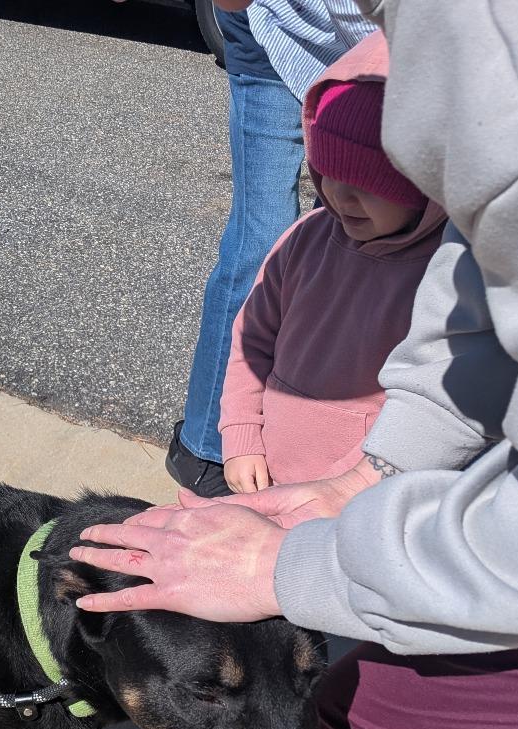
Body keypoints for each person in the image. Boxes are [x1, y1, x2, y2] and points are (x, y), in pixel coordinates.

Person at [70, 0, 518, 729]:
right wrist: (364, 476)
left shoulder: (502, 40)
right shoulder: (458, 71)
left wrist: (304, 567)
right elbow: (491, 279)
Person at [217, 30, 444, 496]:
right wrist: (241, 435)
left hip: (365, 497)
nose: (341, 196)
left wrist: (346, 487)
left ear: (429, 179)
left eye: (369, 180)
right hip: (268, 470)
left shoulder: (444, 278)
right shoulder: (305, 239)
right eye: (329, 170)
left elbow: (432, 410)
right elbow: (251, 339)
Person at [168, 0, 374, 498]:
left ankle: (358, 451)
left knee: (403, 257)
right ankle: (205, 446)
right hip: (278, 42)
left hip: (397, 56)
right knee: (262, 243)